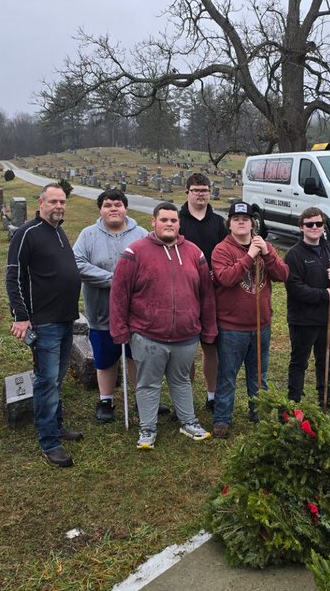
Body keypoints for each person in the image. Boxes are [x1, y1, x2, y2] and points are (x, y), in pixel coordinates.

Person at [109, 202, 216, 449]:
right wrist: (120, 330)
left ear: (180, 224)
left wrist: (208, 328)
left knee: (181, 380)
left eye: (173, 220)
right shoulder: (134, 253)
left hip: (186, 334)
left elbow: (206, 295)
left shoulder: (194, 253)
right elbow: (119, 294)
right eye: (164, 220)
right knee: (148, 383)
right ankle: (147, 428)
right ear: (153, 222)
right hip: (148, 335)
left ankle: (188, 421)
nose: (169, 224)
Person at [5, 182, 83, 467]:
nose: (59, 206)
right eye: (53, 202)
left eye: (62, 202)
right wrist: (21, 316)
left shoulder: (58, 231)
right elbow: (13, 276)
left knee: (57, 377)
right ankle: (49, 442)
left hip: (65, 318)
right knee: (46, 379)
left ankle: (56, 425)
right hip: (43, 321)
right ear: (41, 203)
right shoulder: (27, 233)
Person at [210, 200, 289, 435]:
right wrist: (249, 256)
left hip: (261, 324)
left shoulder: (263, 246)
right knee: (227, 375)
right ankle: (222, 418)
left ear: (252, 223)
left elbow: (283, 274)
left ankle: (259, 414)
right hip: (232, 327)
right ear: (230, 224)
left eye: (245, 219)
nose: (241, 223)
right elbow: (225, 278)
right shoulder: (222, 250)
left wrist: (265, 253)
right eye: (236, 219)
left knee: (258, 376)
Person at [73, 188, 146, 423]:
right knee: (105, 357)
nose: (113, 208)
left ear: (125, 208)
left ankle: (142, 398)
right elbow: (78, 263)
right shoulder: (88, 235)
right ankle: (106, 400)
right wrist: (113, 280)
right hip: (102, 310)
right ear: (100, 210)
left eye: (118, 204)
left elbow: (152, 265)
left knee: (137, 356)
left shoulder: (142, 234)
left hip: (137, 312)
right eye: (107, 205)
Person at [283, 208, 330, 409]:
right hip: (303, 321)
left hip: (329, 319)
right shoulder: (294, 255)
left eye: (318, 224)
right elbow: (295, 287)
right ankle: (294, 399)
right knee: (299, 362)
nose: (314, 228)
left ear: (323, 226)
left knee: (326, 360)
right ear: (301, 227)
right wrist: (323, 294)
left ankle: (326, 396)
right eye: (309, 224)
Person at [178, 173, 228, 415]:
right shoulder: (177, 220)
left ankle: (212, 394)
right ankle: (184, 396)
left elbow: (225, 253)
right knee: (186, 349)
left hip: (212, 294)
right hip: (182, 293)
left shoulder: (218, 222)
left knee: (211, 346)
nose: (200, 194)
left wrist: (216, 274)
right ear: (187, 191)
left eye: (205, 190)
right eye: (196, 190)